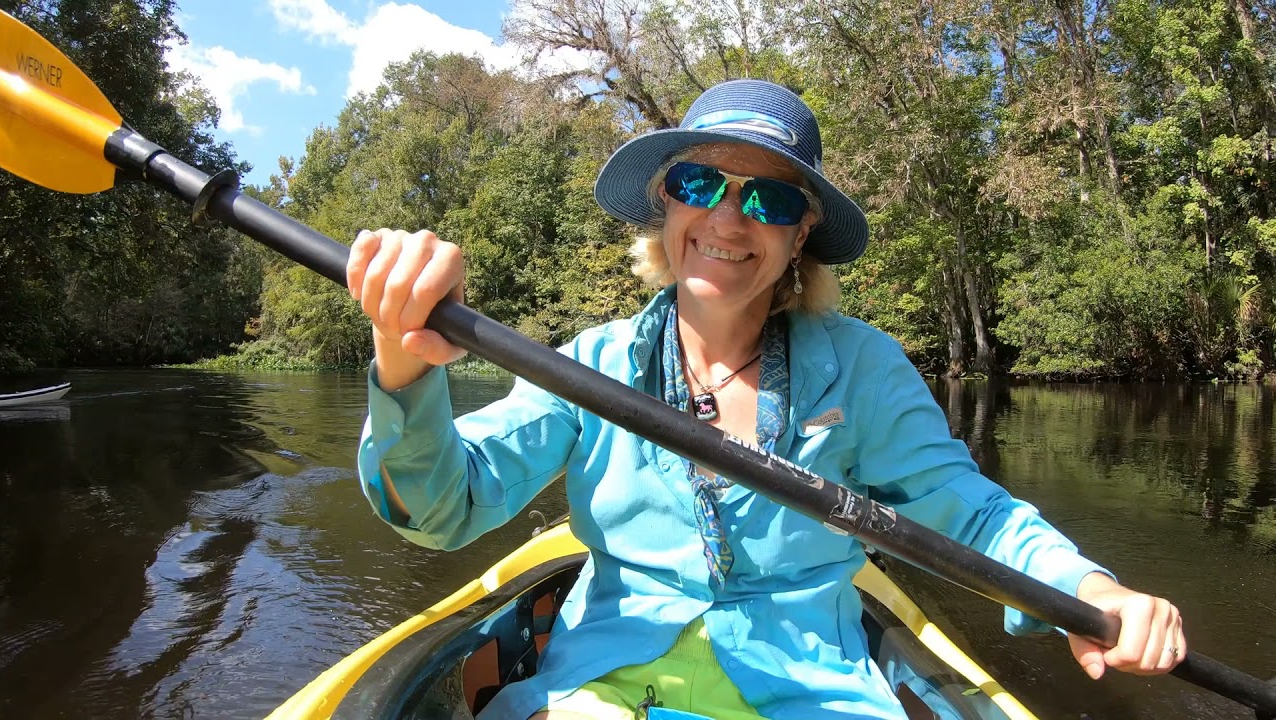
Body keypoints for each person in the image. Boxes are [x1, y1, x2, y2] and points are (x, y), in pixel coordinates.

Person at [347, 80, 1187, 720]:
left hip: (814, 694)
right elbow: (440, 506)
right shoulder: (591, 363)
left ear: (798, 238)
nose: (730, 216)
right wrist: (406, 364)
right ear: (665, 203)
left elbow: (973, 520)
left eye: (771, 199)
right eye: (700, 183)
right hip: (602, 687)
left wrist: (1092, 593)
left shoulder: (862, 368)